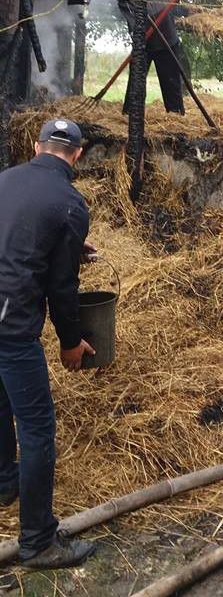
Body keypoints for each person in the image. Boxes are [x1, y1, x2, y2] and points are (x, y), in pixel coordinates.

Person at [0, 119, 97, 569]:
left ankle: (5, 483)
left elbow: (19, 236)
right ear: (76, 155)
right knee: (37, 428)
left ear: (37, 147)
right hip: (12, 327)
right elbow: (61, 284)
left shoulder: (5, 179)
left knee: (0, 404)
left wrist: (70, 242)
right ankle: (38, 540)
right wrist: (70, 341)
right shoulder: (70, 202)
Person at [117, 0, 194, 114]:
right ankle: (129, 114)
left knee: (171, 83)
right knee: (136, 83)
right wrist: (147, 21)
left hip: (168, 43)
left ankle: (175, 115)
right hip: (142, 45)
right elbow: (134, 23)